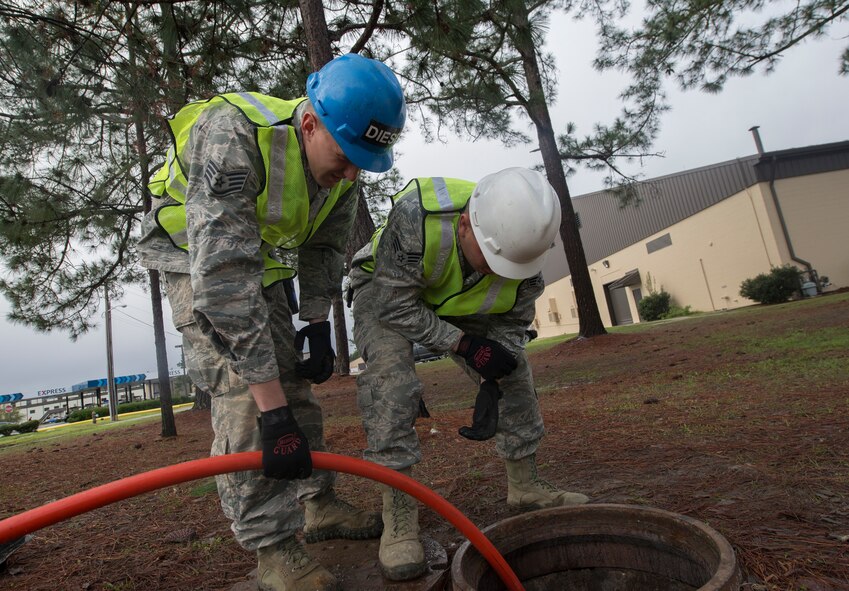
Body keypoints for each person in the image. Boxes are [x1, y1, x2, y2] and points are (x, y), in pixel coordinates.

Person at [138, 53, 406, 591]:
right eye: (347, 154)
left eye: (365, 158)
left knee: (296, 392)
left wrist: (314, 319)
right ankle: (272, 549)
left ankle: (318, 504)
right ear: (310, 123)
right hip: (198, 264)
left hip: (262, 265)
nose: (353, 171)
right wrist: (269, 405)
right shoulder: (232, 134)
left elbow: (326, 246)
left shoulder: (345, 167)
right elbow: (223, 280)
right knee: (246, 398)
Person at [349, 169, 590, 581]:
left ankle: (525, 484)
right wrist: (463, 345)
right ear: (465, 225)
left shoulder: (525, 257)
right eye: (494, 259)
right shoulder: (418, 218)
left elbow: (514, 323)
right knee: (392, 384)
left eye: (514, 266)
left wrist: (495, 374)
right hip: (386, 290)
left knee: (514, 372)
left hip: (457, 301)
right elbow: (396, 307)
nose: (504, 272)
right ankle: (399, 511)